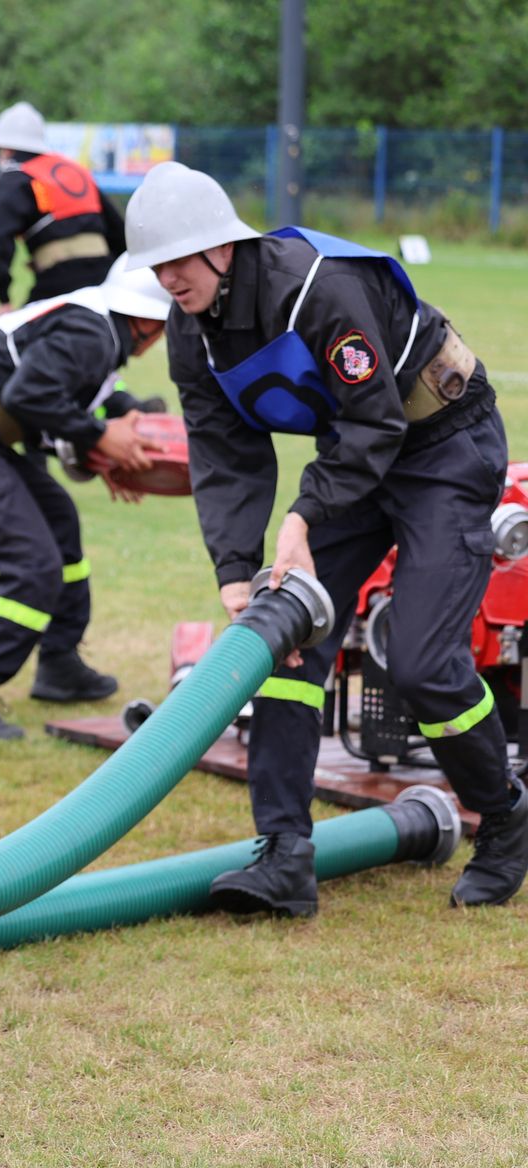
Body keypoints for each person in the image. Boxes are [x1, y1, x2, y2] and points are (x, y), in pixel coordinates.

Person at [126, 161, 527, 914]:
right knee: (279, 635)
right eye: (156, 265)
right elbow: (223, 453)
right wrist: (238, 570)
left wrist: (303, 516)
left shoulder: (317, 285)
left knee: (420, 658)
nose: (169, 279)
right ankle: (285, 854)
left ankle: (504, 815)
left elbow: (376, 417)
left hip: (443, 443)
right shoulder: (191, 332)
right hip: (357, 456)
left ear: (222, 247)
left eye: (179, 259)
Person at [0, 255, 174, 739]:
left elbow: (81, 393)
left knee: (59, 522)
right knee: (33, 564)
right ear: (150, 321)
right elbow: (32, 394)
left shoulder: (96, 325)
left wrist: (112, 432)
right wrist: (98, 438)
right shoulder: (94, 334)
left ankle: (59, 664)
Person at [0, 102, 125, 316]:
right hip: (104, 283)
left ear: (6, 149)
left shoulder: (14, 177)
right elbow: (118, 231)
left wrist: (2, 297)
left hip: (58, 282)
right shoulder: (75, 171)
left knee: (25, 342)